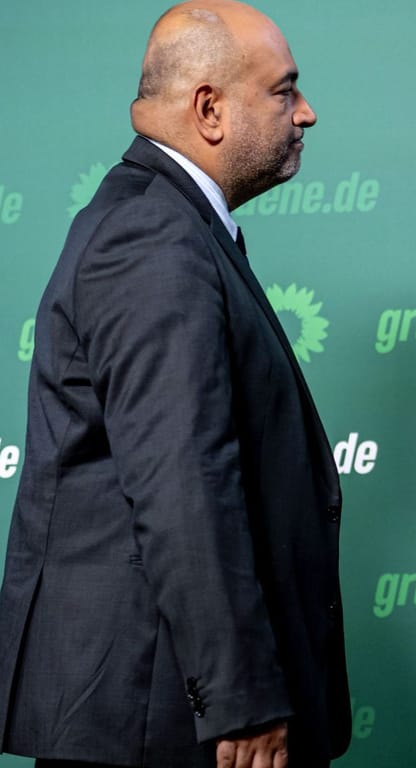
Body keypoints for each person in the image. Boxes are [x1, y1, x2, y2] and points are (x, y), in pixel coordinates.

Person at [0, 2, 349, 766]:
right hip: (156, 721)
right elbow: (183, 480)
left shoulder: (167, 221)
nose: (306, 113)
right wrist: (242, 698)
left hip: (157, 712)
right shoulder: (153, 234)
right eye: (285, 91)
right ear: (210, 108)